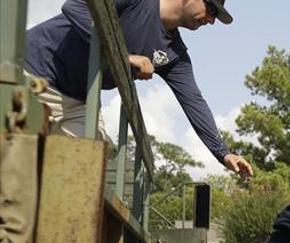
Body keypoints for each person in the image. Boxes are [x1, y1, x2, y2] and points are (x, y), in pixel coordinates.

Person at [25, 0, 254, 179]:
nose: (211, 20)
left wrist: (224, 153)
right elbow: (75, 7)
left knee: (93, 159)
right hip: (34, 70)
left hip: (78, 100)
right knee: (16, 158)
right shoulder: (139, 2)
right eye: (211, 9)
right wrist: (123, 57)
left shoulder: (174, 54)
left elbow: (194, 101)